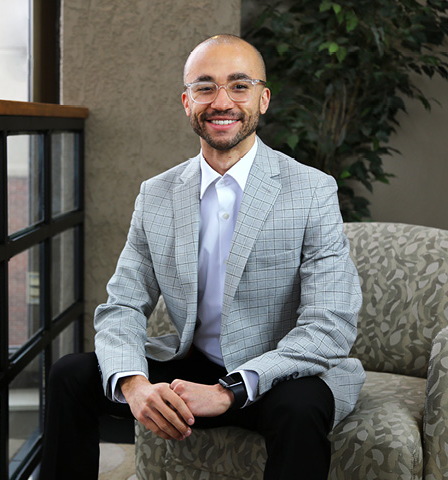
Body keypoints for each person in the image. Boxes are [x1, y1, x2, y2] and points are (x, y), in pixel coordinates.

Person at [40, 34, 364, 480]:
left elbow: (330, 323)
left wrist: (230, 390)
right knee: (70, 376)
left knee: (301, 409)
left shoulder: (311, 189)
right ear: (187, 101)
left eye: (239, 85)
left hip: (278, 374)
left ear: (263, 99)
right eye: (205, 87)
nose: (222, 101)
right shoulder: (156, 194)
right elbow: (123, 305)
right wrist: (134, 384)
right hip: (193, 364)